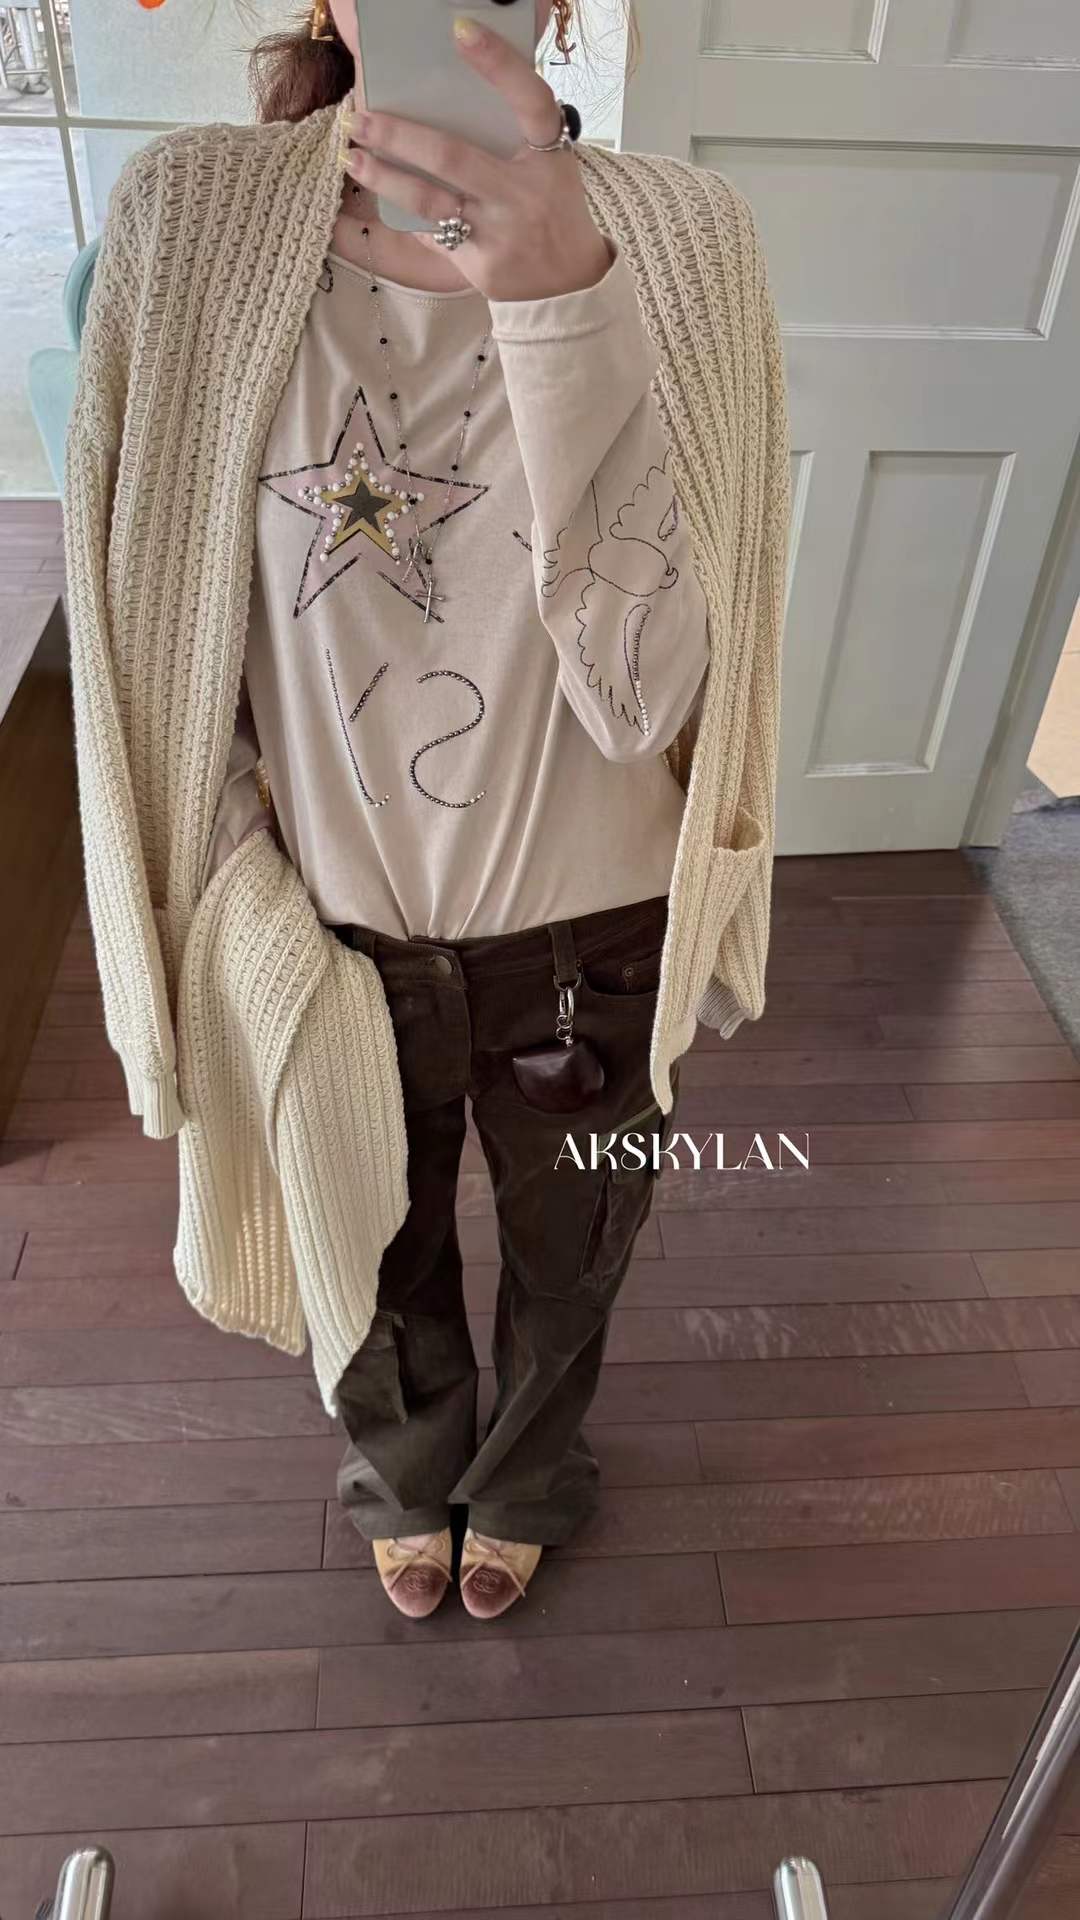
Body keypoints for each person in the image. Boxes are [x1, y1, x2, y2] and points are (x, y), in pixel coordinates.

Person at [63, 3, 790, 1627]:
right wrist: (219, 882)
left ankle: (529, 1476)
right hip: (327, 923)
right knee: (372, 1255)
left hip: (596, 933)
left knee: (571, 1250)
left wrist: (562, 306)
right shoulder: (188, 222)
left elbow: (651, 700)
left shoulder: (684, 243)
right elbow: (149, 620)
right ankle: (405, 1473)